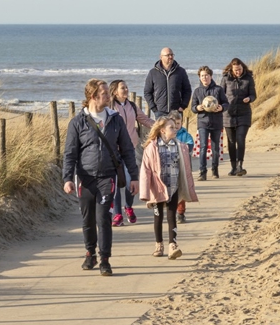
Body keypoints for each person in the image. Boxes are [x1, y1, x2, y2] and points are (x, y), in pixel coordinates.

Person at [63, 79, 139, 276]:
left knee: (103, 217)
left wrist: (135, 177)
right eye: (104, 93)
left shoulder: (115, 119)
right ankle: (90, 253)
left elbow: (128, 149)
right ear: (93, 96)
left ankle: (105, 259)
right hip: (85, 178)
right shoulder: (78, 122)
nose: (108, 96)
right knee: (87, 219)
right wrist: (67, 178)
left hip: (108, 176)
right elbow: (70, 153)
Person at [139, 116, 198, 260]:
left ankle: (173, 244)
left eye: (175, 126)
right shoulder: (152, 147)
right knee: (158, 216)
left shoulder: (180, 146)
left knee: (172, 215)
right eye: (171, 127)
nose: (175, 129)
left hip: (173, 186)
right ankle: (159, 244)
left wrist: (188, 186)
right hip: (157, 188)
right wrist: (145, 193)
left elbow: (186, 169)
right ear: (162, 130)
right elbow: (145, 171)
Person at [109, 79, 154, 227]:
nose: (126, 90)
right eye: (123, 88)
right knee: (115, 183)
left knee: (130, 182)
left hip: (130, 150)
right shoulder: (109, 107)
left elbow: (145, 120)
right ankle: (117, 214)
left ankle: (128, 206)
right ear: (115, 91)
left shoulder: (132, 106)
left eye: (126, 87)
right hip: (113, 151)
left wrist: (160, 125)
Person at [190, 66, 229, 180]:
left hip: (216, 122)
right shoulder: (197, 91)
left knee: (215, 147)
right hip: (203, 122)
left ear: (211, 76)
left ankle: (215, 170)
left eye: (206, 75)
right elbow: (192, 107)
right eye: (202, 76)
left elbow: (226, 103)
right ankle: (202, 172)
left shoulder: (218, 89)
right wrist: (198, 107)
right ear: (199, 77)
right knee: (203, 147)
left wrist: (221, 107)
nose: (205, 78)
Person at [221, 58, 257, 176]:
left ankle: (240, 165)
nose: (238, 72)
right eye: (236, 70)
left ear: (243, 67)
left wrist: (249, 99)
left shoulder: (248, 79)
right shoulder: (226, 78)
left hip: (244, 113)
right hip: (228, 115)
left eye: (240, 69)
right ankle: (233, 167)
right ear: (231, 68)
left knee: (240, 139)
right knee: (231, 141)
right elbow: (220, 95)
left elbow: (253, 94)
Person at [144, 47, 192, 118]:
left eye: (172, 55)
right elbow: (147, 92)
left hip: (176, 111)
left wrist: (183, 106)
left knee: (176, 129)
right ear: (161, 57)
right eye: (168, 55)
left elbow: (187, 90)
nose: (170, 57)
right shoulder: (153, 72)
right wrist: (154, 108)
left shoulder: (180, 71)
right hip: (160, 112)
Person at [168, 111, 194, 223]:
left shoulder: (185, 134)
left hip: (182, 167)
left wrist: (184, 147)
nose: (176, 126)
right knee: (171, 191)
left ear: (181, 123)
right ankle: (171, 211)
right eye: (173, 124)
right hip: (169, 168)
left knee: (181, 191)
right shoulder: (166, 135)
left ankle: (181, 213)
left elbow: (190, 144)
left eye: (178, 123)